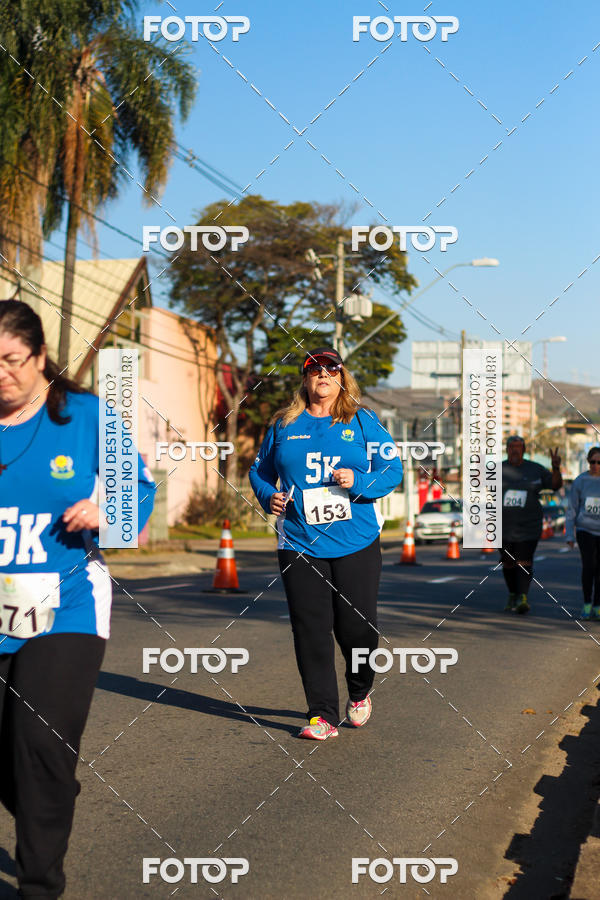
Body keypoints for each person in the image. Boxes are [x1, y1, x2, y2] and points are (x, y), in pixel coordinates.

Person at [0, 300, 155, 899]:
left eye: (15, 361)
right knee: (16, 763)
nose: (4, 374)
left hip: (64, 602)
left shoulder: (87, 417)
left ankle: (40, 884)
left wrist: (107, 512)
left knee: (38, 740)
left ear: (40, 358)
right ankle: (50, 787)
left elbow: (134, 490)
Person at [249, 347, 403, 740]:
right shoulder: (285, 424)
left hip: (356, 541)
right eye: (314, 370)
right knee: (311, 628)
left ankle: (360, 690)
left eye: (330, 369)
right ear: (305, 379)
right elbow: (259, 471)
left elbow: (392, 469)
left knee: (357, 628)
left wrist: (361, 482)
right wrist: (270, 497)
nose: (322, 375)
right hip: (299, 541)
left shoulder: (362, 420)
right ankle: (321, 715)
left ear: (341, 377)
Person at [501, 435, 562, 614]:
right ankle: (513, 593)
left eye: (518, 447)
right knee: (508, 563)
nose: (515, 450)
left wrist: (556, 468)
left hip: (529, 526)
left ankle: (522, 597)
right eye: (512, 447)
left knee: (524, 561)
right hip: (503, 527)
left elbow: (555, 485)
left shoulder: (536, 469)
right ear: (506, 449)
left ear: (524, 450)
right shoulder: (497, 470)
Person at [566, 446, 600, 620]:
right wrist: (569, 535)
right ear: (588, 462)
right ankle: (587, 603)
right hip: (584, 529)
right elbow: (571, 509)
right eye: (592, 462)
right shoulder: (580, 481)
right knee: (589, 566)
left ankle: (597, 604)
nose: (595, 465)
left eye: (599, 462)